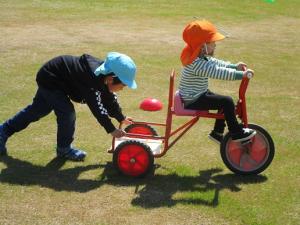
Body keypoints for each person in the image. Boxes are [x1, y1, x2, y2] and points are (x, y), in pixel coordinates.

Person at [0, 52, 137, 161]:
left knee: (37, 110)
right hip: (51, 78)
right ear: (111, 79)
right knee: (67, 113)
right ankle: (64, 149)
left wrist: (120, 117)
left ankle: (3, 131)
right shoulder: (92, 79)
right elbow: (97, 107)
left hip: (57, 79)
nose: (122, 89)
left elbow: (108, 99)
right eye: (123, 85)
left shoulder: (103, 76)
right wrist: (111, 129)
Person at [179, 19, 256, 144]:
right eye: (212, 42)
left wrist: (233, 66)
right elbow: (218, 72)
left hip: (198, 94)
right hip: (192, 100)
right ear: (202, 46)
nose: (215, 45)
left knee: (223, 101)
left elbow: (216, 63)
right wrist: (242, 75)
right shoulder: (196, 64)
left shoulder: (199, 57)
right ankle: (236, 132)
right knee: (226, 101)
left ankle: (217, 133)